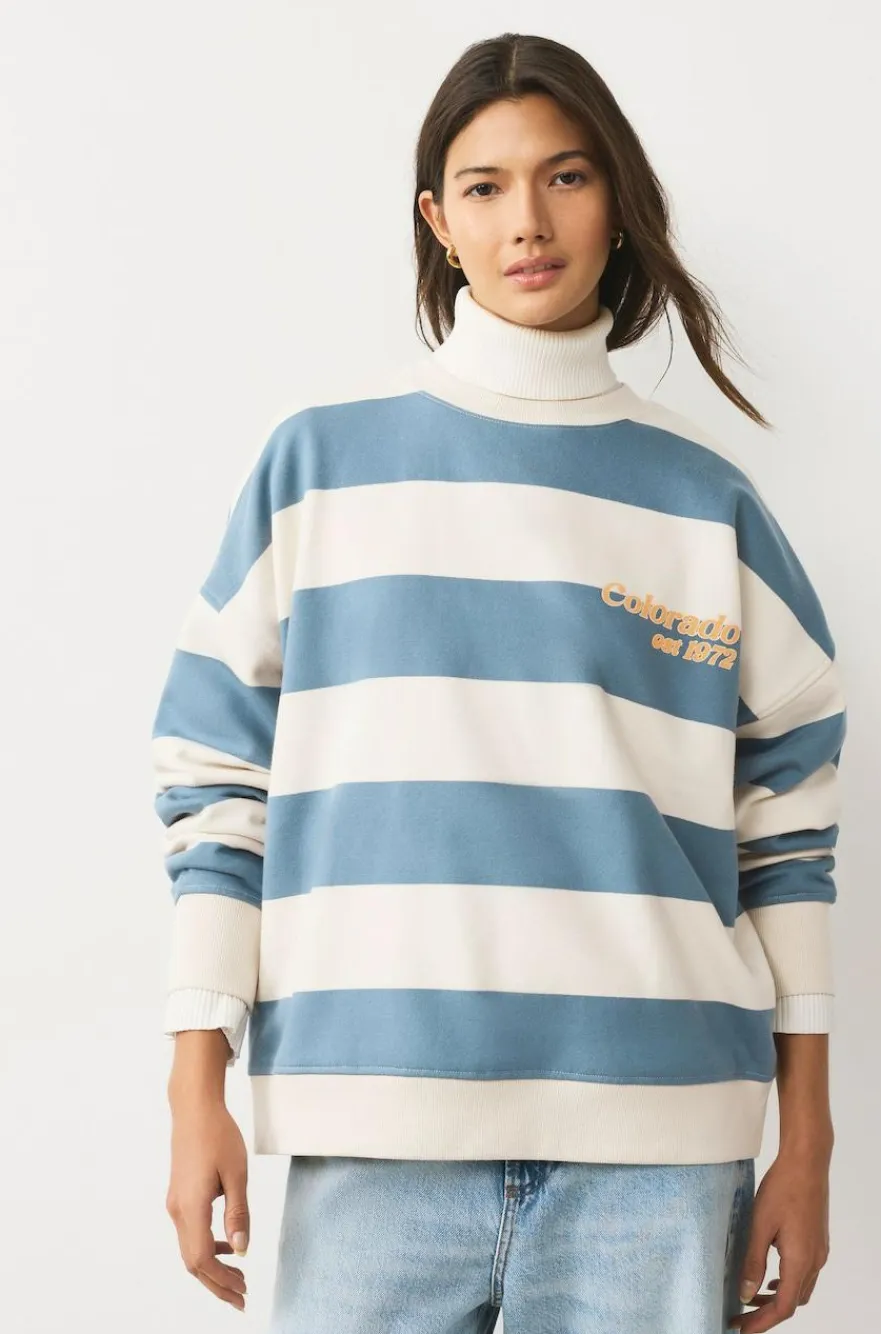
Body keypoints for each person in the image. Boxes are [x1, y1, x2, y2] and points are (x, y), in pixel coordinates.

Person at [153, 31, 844, 1334]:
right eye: (485, 186)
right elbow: (215, 792)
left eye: (566, 176)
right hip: (371, 1133)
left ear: (617, 199)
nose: (528, 219)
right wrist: (197, 1086)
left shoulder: (707, 502)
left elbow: (791, 834)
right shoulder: (318, 471)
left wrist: (806, 1142)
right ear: (439, 220)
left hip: (661, 1150)